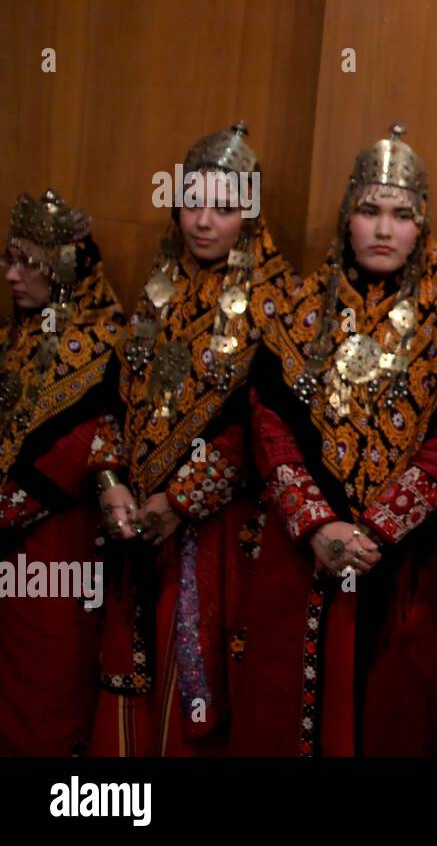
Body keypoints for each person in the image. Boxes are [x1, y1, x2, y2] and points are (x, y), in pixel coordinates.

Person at [232, 125, 437, 756]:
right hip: (303, 555)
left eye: (401, 215)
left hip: (401, 565)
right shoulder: (299, 312)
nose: (383, 229)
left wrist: (373, 533)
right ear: (347, 220)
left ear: (420, 226)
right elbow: (270, 427)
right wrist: (318, 526)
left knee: (384, 715)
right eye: (369, 211)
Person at [90, 122, 295, 756]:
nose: (203, 222)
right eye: (191, 202)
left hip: (220, 534)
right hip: (137, 521)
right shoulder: (159, 290)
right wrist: (111, 480)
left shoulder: (276, 300)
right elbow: (112, 398)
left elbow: (258, 425)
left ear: (251, 215)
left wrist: (177, 502)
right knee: (132, 667)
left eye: (225, 208)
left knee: (197, 673)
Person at [0, 189, 125, 754]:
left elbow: (82, 445)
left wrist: (8, 506)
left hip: (57, 548)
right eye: (9, 259)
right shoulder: (13, 340)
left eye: (29, 264)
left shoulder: (104, 343)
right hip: (11, 542)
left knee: (46, 679)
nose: (11, 276)